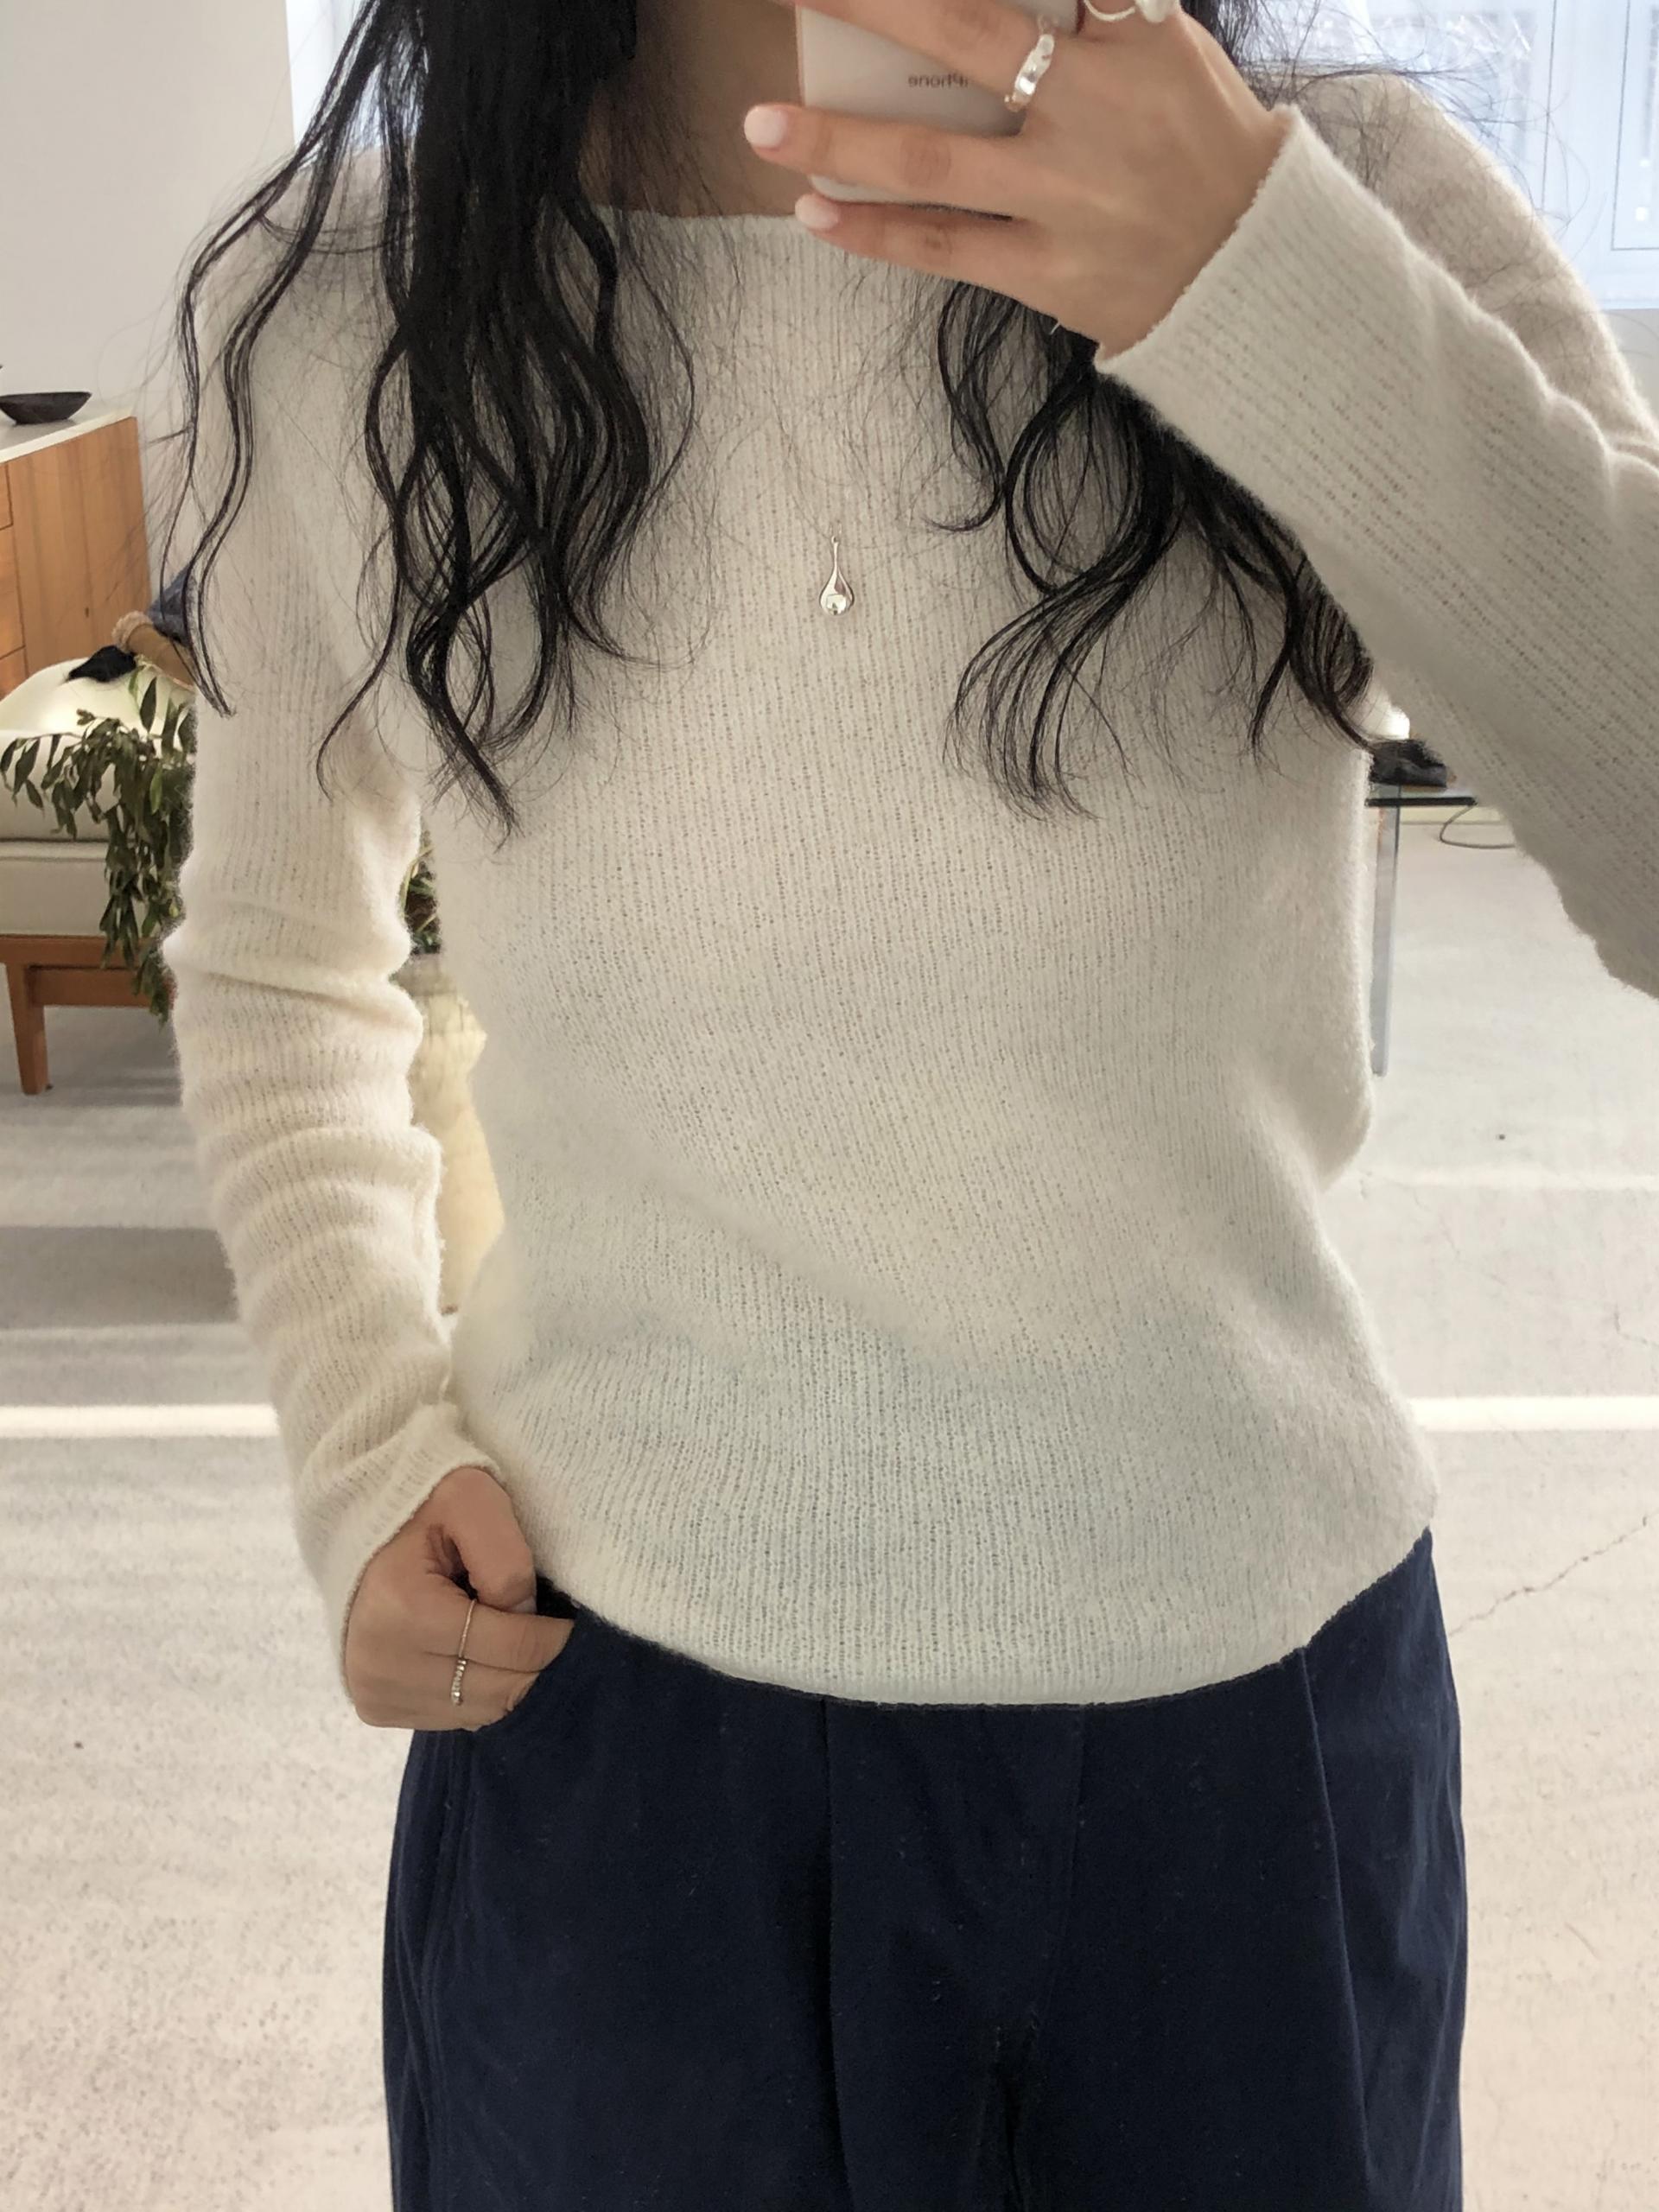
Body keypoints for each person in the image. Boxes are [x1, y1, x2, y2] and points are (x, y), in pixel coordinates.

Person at [157, 0, 1659, 2205]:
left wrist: (1259, 274)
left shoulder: (1335, 189)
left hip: (1240, 1726)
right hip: (621, 1728)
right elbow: (280, 954)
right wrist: (365, 1437)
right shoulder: (359, 313)